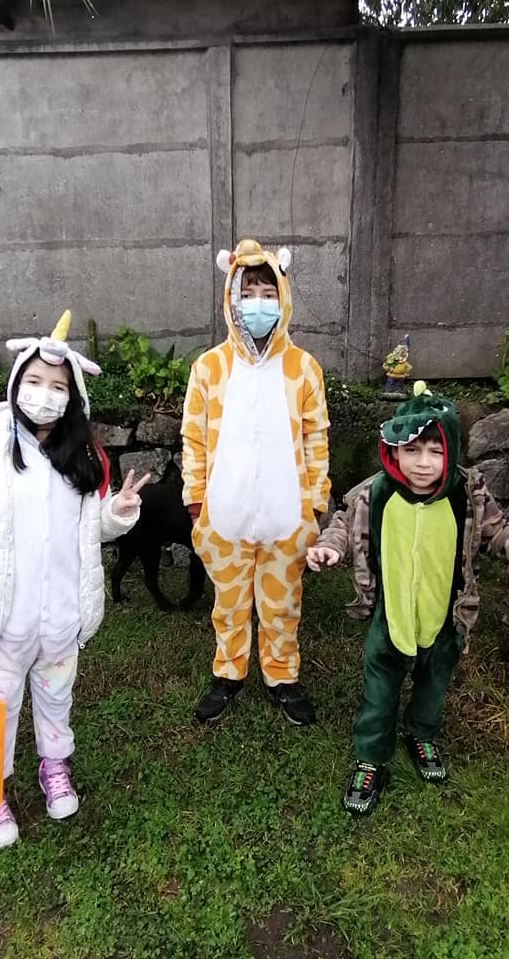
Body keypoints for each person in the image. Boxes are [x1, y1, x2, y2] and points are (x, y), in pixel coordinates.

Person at [0, 310, 148, 849]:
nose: (44, 395)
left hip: (60, 620)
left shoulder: (84, 456)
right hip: (2, 623)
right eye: (34, 381)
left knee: (55, 699)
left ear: (72, 398)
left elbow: (89, 530)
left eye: (57, 387)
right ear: (15, 385)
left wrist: (118, 512)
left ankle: (55, 765)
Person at [306, 381, 509, 815]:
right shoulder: (375, 492)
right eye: (413, 450)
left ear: (451, 452)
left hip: (445, 618)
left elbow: (498, 530)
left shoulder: (467, 493)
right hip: (391, 618)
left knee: (433, 688)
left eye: (436, 452)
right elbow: (343, 523)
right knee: (378, 693)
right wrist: (329, 547)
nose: (423, 463)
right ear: (395, 450)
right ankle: (371, 758)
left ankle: (421, 735)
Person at [181, 239, 331, 726]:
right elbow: (194, 438)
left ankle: (282, 675)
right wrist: (196, 499)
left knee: (282, 602)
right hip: (224, 513)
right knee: (229, 601)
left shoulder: (303, 368)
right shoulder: (209, 368)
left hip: (287, 515)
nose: (259, 303)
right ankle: (228, 672)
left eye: (268, 293)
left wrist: (316, 502)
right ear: (232, 299)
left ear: (282, 298)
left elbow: (316, 437)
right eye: (249, 294)